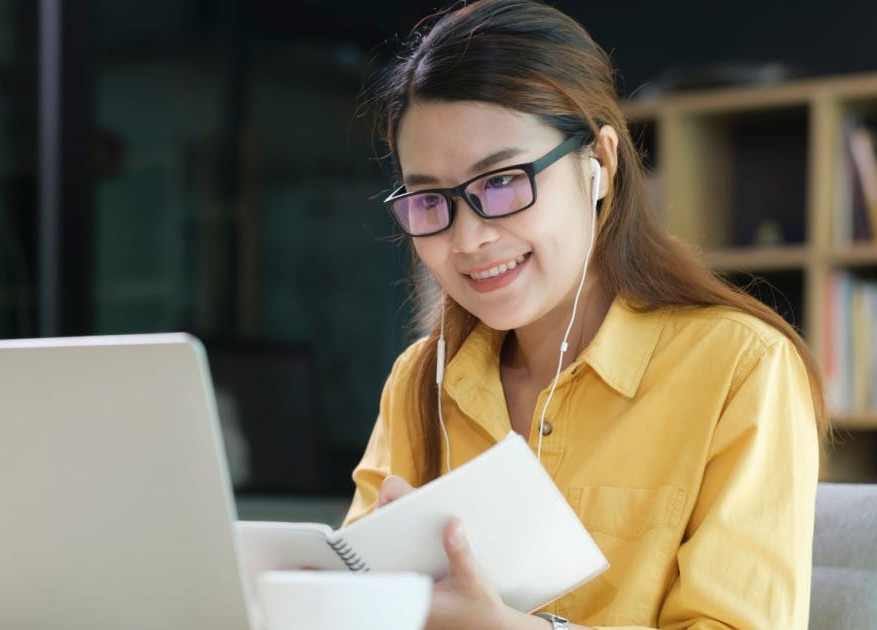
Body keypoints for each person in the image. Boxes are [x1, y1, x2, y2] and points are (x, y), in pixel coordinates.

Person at [344, 1, 826, 629]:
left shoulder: (739, 368)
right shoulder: (421, 379)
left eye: (501, 183)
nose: (467, 241)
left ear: (599, 164)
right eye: (431, 199)